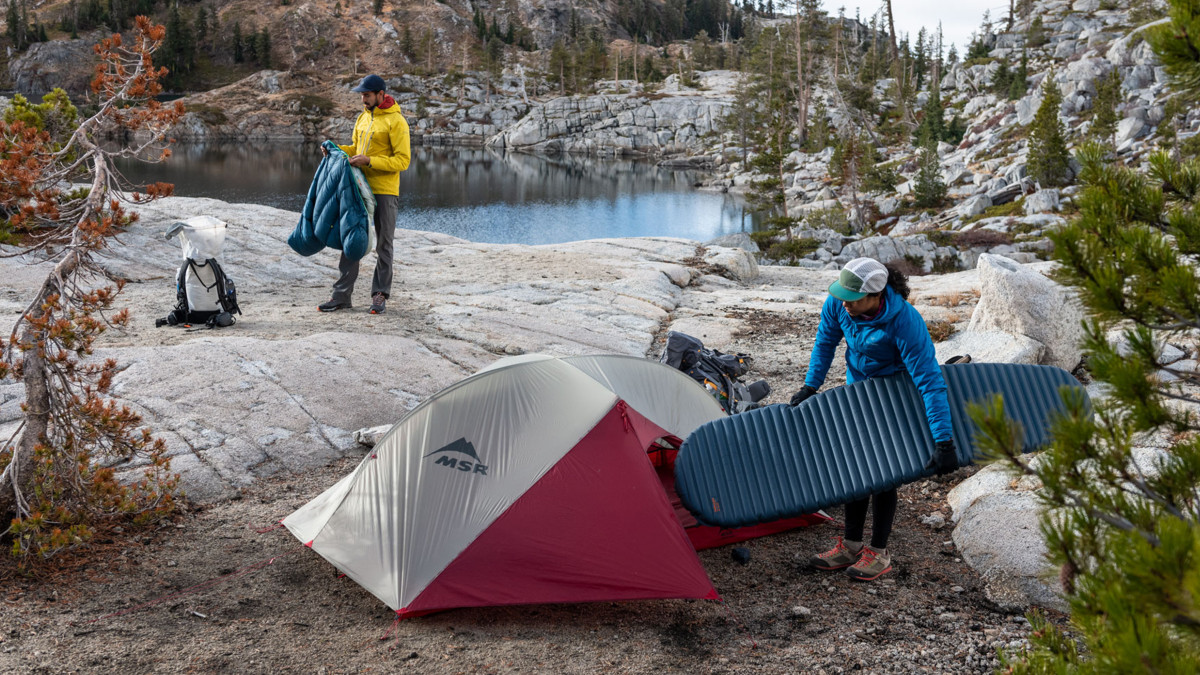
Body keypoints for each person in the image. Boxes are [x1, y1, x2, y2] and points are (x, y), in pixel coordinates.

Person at [791, 257, 958, 581]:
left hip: (896, 394)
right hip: (859, 390)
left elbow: (929, 380)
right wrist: (811, 385)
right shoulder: (839, 304)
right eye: (841, 296)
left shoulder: (905, 322)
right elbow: (825, 343)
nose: (844, 303)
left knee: (885, 471)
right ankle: (851, 545)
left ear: (876, 295)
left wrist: (944, 439)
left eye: (851, 299)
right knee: (856, 466)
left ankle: (878, 553)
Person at [318, 74, 411, 315]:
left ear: (381, 94)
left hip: (384, 191)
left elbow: (403, 161)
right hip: (358, 189)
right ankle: (341, 296)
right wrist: (335, 149)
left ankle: (380, 295)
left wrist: (370, 161)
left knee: (384, 244)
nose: (363, 98)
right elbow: (356, 149)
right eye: (361, 94)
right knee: (352, 240)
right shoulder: (362, 118)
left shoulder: (396, 121)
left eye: (367, 95)